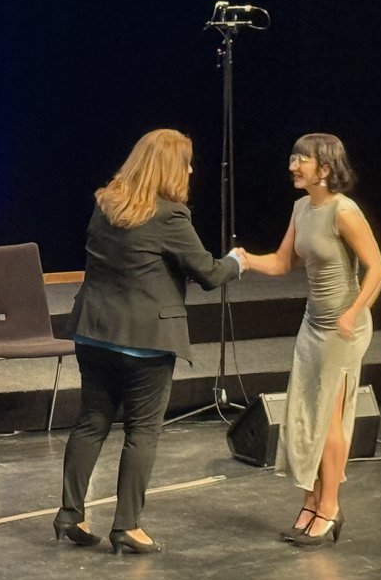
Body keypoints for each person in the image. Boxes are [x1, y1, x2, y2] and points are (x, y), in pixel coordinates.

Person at [55, 128, 245, 555]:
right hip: (145, 342)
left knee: (91, 422)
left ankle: (70, 513)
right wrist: (236, 261)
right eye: (187, 163)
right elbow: (209, 274)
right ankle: (127, 525)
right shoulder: (170, 216)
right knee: (142, 431)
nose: (191, 170)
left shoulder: (105, 204)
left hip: (95, 332)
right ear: (170, 168)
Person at [244, 133, 381, 547]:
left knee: (328, 419)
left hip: (344, 329)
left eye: (300, 159)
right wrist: (244, 260)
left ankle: (330, 506)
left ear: (324, 168)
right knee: (305, 416)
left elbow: (377, 269)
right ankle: (310, 501)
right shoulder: (301, 208)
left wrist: (353, 311)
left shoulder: (344, 211)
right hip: (313, 325)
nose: (292, 166)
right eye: (292, 157)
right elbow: (281, 262)